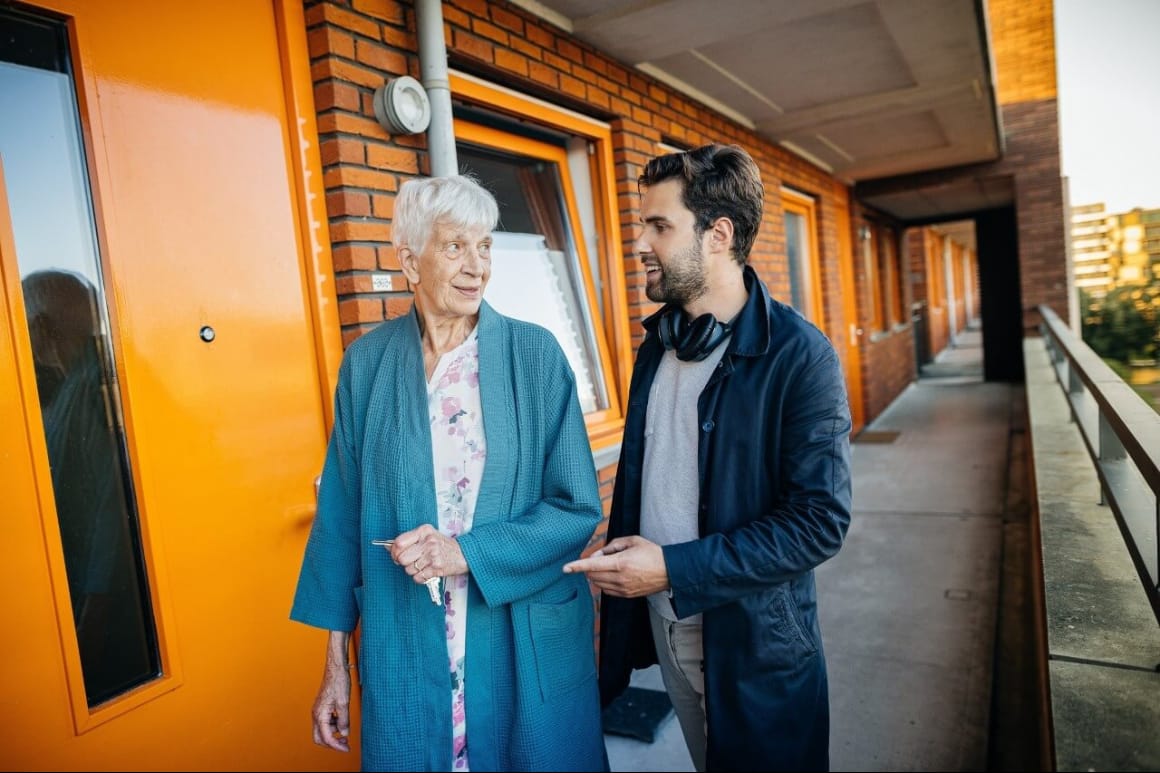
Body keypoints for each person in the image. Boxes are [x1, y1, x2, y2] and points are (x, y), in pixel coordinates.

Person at [290, 174, 608, 772]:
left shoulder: (534, 356)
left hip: (516, 637)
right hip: (407, 637)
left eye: (485, 246)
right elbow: (339, 520)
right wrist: (336, 665)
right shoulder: (367, 365)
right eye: (455, 246)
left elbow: (575, 509)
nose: (477, 266)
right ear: (410, 261)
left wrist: (463, 553)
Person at [564, 144, 853, 772]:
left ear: (718, 234)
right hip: (664, 626)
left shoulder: (802, 359)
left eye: (659, 225)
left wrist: (672, 567)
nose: (639, 241)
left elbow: (819, 523)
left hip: (753, 644)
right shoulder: (658, 344)